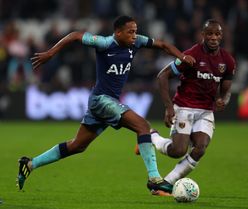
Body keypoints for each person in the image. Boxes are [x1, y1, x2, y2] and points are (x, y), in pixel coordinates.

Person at [17, 15, 195, 194]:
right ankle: (154, 179)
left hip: (106, 102)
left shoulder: (137, 42)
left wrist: (182, 56)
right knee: (143, 126)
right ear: (118, 33)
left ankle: (30, 164)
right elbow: (76, 35)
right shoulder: (104, 43)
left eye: (135, 31)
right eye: (130, 32)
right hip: (101, 100)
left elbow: (163, 45)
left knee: (77, 145)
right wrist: (50, 53)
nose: (135, 35)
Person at [136, 19, 236, 193]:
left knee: (200, 148)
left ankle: (166, 183)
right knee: (178, 150)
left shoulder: (227, 60)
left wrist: (224, 100)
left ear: (221, 36)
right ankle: (152, 137)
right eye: (210, 34)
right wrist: (169, 108)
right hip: (184, 107)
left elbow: (226, 89)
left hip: (205, 111)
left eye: (217, 34)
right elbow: (163, 76)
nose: (213, 37)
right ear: (203, 35)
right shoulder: (191, 56)